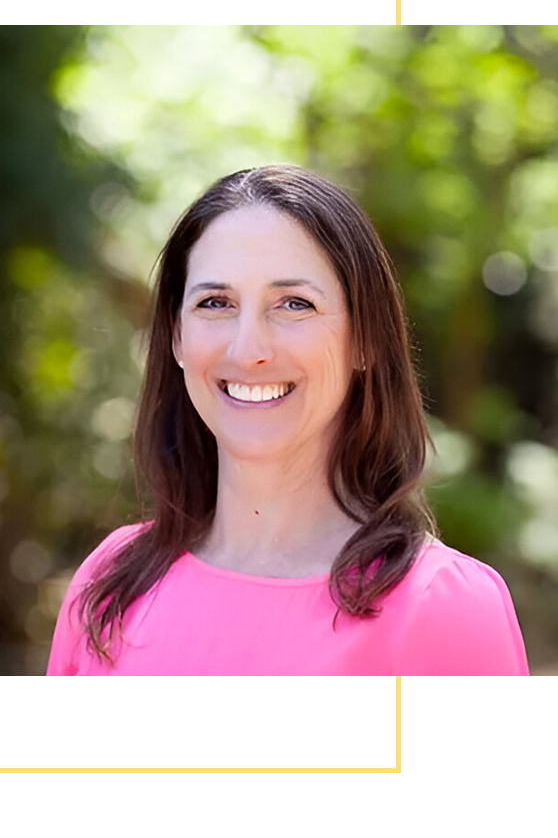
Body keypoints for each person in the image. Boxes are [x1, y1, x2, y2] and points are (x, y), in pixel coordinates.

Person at [46, 165, 529, 765]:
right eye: (216, 303)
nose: (249, 349)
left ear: (364, 341)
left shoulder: (442, 610)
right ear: (175, 337)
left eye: (293, 304)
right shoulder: (111, 586)